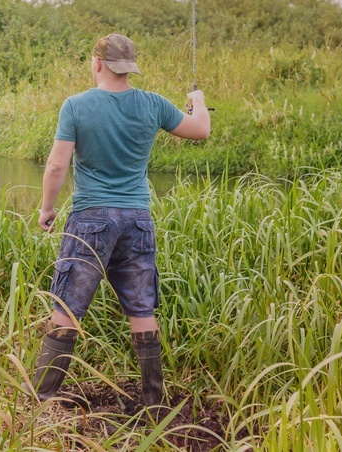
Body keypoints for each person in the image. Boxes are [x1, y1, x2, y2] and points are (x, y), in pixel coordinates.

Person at [26, 33, 211, 412]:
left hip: (90, 220)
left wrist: (47, 208)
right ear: (129, 67)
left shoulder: (76, 106)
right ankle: (154, 403)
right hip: (137, 220)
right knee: (142, 310)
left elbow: (57, 165)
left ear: (97, 63)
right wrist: (198, 101)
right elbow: (201, 130)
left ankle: (42, 402)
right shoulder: (153, 104)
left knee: (67, 306)